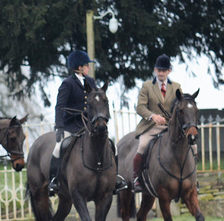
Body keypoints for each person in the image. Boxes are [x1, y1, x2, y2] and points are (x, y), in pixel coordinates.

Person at [50, 50, 127, 196]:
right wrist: (59, 126)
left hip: (89, 125)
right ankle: (54, 180)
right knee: (58, 148)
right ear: (79, 67)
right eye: (86, 65)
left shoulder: (90, 81)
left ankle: (116, 179)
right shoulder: (67, 84)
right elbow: (59, 106)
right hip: (72, 125)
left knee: (113, 146)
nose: (88, 68)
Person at [132, 54, 186, 192]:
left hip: (170, 127)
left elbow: (181, 106)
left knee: (191, 146)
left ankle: (191, 178)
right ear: (155, 70)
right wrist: (152, 116)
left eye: (164, 70)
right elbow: (140, 107)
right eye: (159, 70)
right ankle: (137, 178)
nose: (161, 73)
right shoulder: (147, 86)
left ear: (169, 71)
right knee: (142, 146)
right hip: (151, 126)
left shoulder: (176, 87)